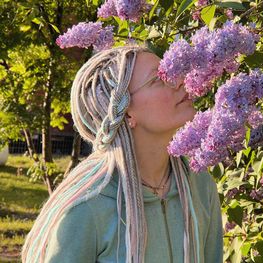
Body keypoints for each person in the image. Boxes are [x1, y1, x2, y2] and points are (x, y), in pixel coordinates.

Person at [22, 45, 223, 263]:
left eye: (172, 72)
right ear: (125, 113)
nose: (181, 81)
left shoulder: (199, 185)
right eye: (158, 79)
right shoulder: (88, 207)